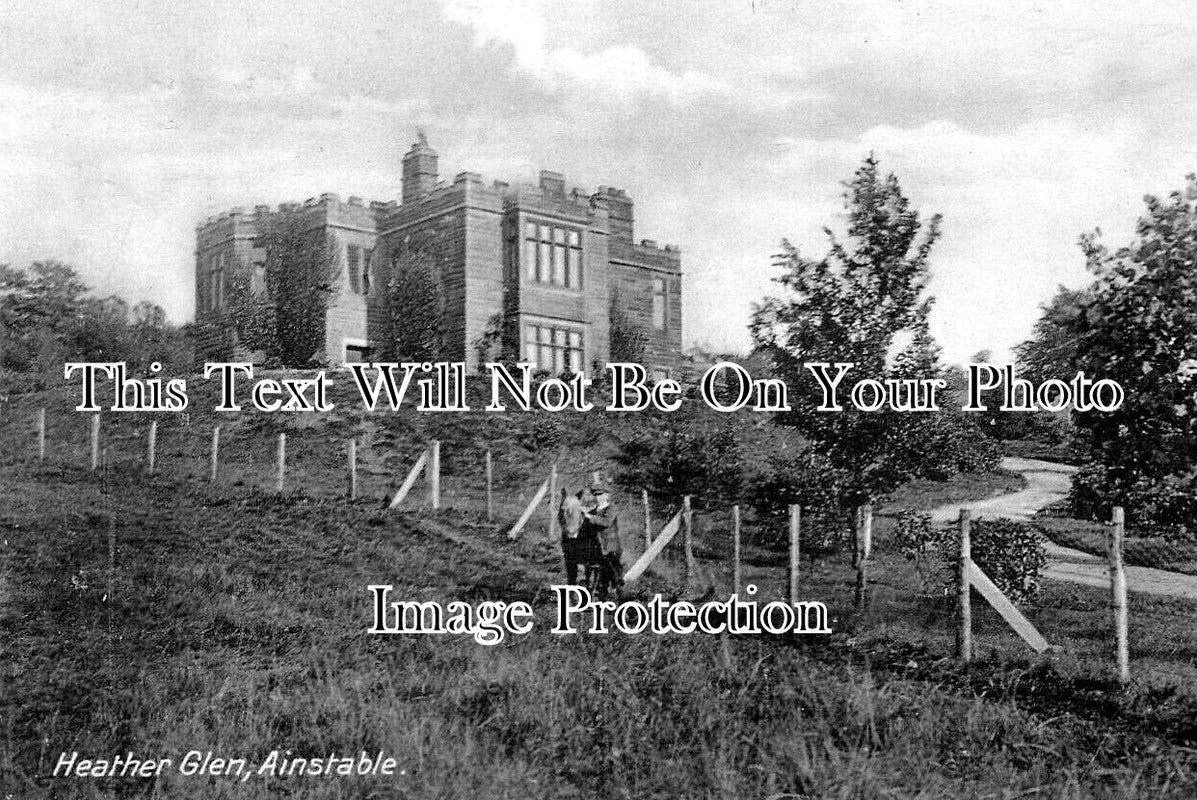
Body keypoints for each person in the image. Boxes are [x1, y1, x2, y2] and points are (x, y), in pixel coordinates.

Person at [582, 484, 624, 599]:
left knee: (615, 577)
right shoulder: (593, 511)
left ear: (607, 495)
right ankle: (603, 601)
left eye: (601, 494)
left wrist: (590, 518)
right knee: (602, 578)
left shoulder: (611, 509)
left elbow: (606, 522)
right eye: (596, 495)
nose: (598, 497)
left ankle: (623, 602)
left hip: (611, 548)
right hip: (598, 548)